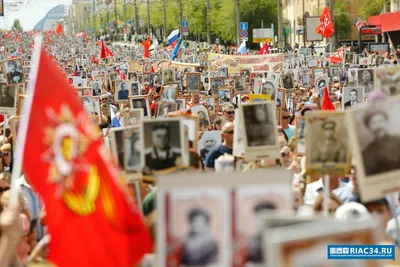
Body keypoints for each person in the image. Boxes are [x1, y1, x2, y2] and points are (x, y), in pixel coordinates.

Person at [362, 109, 400, 176]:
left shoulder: (398, 141)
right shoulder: (366, 152)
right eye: (373, 123)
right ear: (368, 127)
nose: (378, 126)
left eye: (380, 121)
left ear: (386, 122)